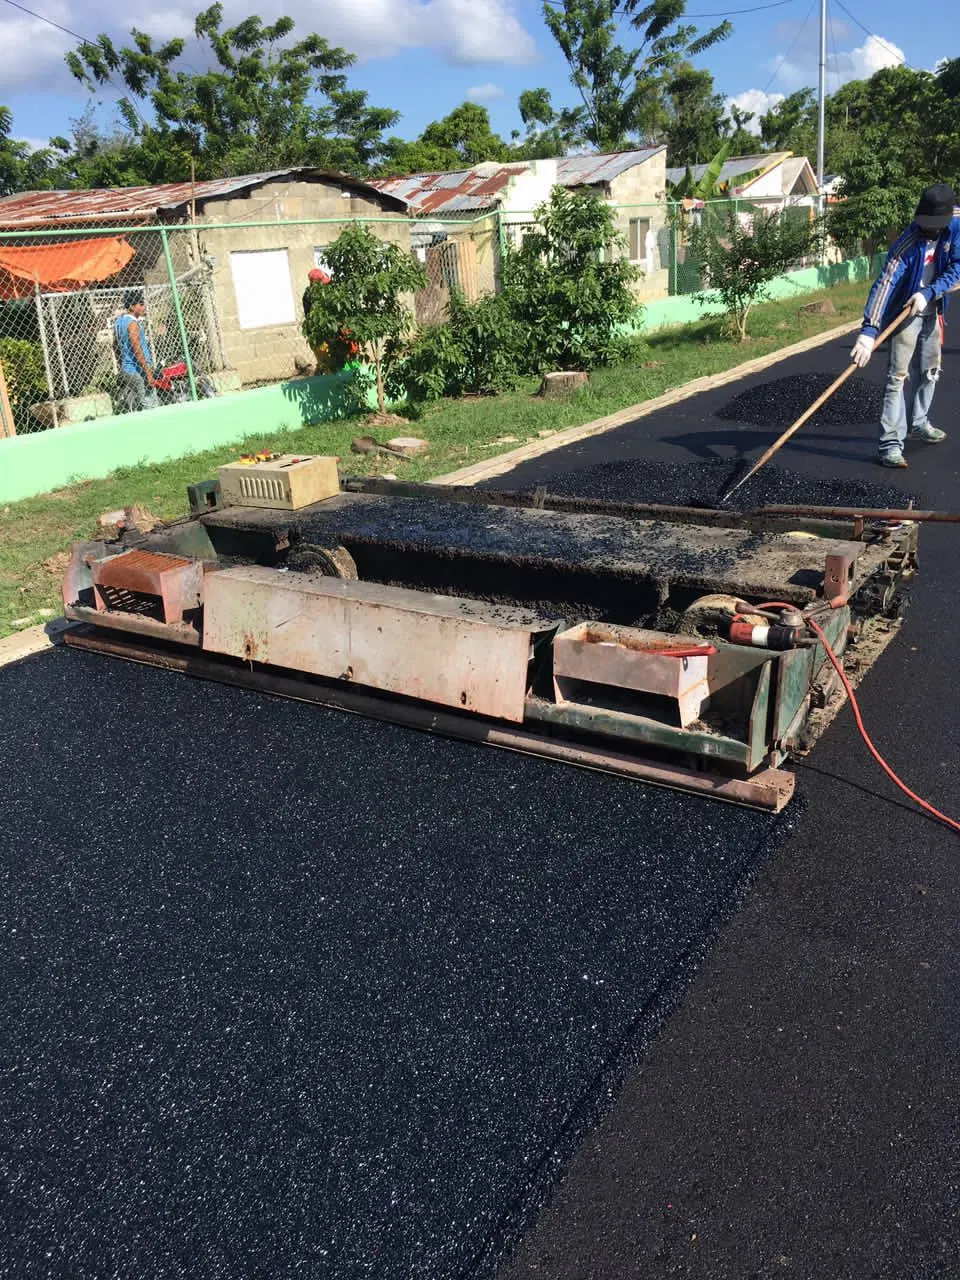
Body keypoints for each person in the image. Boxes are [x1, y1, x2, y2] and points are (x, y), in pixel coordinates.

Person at [851, 183, 960, 468]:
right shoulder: (907, 243)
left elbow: (958, 267)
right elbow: (884, 286)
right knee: (897, 377)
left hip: (932, 306)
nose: (929, 229)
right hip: (905, 313)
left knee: (929, 370)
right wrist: (868, 331)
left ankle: (919, 422)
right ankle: (889, 445)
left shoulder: (957, 226)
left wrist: (929, 293)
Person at [114, 290, 158, 413]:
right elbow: (137, 349)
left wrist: (121, 362)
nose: (144, 307)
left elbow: (115, 345)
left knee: (141, 401)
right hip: (138, 370)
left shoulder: (118, 322)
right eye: (141, 304)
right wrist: (148, 373)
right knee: (150, 405)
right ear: (132, 306)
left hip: (127, 369)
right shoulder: (132, 323)